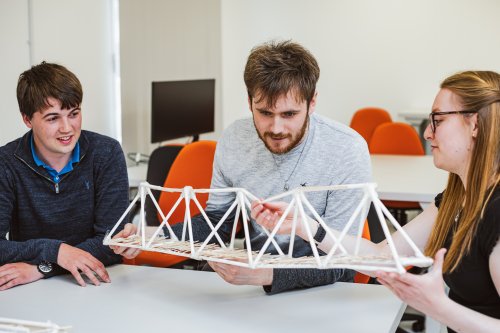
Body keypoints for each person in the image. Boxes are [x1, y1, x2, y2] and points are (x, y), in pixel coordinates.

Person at [113, 40, 371, 294]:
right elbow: (217, 223)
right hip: (254, 286)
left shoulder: (346, 149)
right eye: (265, 113)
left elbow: (341, 258)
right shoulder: (235, 139)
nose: (277, 128)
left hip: (326, 290)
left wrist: (267, 275)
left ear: (312, 102)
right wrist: (151, 235)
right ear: (249, 102)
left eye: (289, 114)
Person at [253, 71, 500, 331]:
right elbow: (382, 257)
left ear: (475, 125)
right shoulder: (456, 199)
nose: (427, 133)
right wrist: (305, 227)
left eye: (437, 120)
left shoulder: (496, 212)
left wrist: (441, 308)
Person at [0, 62, 129, 290]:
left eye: (74, 114)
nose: (67, 128)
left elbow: (111, 242)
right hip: (31, 290)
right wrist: (56, 251)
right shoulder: (6, 163)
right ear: (28, 120)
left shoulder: (106, 153)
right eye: (52, 118)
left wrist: (44, 268)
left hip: (97, 282)